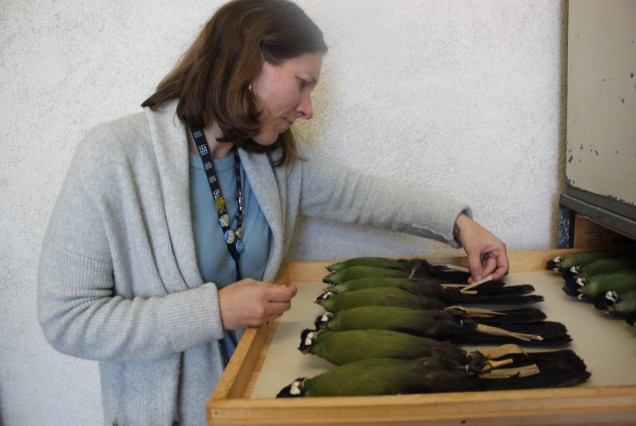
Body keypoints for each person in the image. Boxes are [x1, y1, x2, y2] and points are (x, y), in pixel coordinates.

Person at [37, 0, 509, 425]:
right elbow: (69, 321)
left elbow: (361, 195)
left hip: (257, 407)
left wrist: (458, 224)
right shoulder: (114, 156)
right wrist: (215, 311)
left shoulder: (269, 161)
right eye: (302, 84)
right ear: (248, 63)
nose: (307, 109)